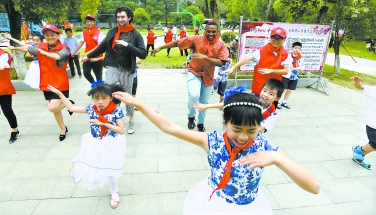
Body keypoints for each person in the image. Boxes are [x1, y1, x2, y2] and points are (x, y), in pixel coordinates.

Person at [113, 88, 320, 214]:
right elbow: (169, 127)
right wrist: (138, 103)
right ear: (225, 120)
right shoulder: (213, 141)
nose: (243, 137)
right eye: (236, 129)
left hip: (249, 208)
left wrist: (277, 158)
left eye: (252, 130)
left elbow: (314, 187)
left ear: (261, 125)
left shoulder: (265, 146)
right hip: (212, 204)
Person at [48, 82, 126, 208]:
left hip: (111, 143)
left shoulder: (116, 111)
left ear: (111, 98)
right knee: (93, 162)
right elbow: (72, 108)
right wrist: (60, 94)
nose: (100, 102)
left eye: (104, 98)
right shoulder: (91, 109)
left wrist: (104, 124)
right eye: (96, 98)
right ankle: (97, 176)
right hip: (94, 141)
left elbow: (121, 130)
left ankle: (114, 191)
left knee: (111, 169)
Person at [152, 21, 229, 132]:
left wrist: (204, 57)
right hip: (194, 71)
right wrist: (161, 47)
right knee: (194, 95)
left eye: (213, 32)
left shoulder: (221, 45)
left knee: (204, 102)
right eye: (208, 31)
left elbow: (222, 62)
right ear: (204, 31)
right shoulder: (196, 39)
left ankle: (201, 123)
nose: (211, 34)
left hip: (208, 76)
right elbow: (178, 43)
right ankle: (191, 117)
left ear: (217, 32)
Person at [82, 5, 147, 134]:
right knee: (108, 90)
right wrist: (88, 56)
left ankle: (131, 119)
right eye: (118, 17)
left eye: (123, 17)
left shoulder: (135, 35)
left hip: (127, 69)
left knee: (127, 96)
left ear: (129, 17)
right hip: (112, 66)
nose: (120, 19)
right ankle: (110, 116)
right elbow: (102, 47)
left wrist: (128, 45)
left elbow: (143, 54)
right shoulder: (112, 32)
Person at [29, 24, 72, 141]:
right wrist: (15, 47)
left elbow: (57, 57)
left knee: (52, 107)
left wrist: (43, 53)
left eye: (52, 35)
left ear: (58, 35)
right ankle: (63, 128)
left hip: (60, 83)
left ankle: (69, 104)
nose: (49, 37)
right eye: (47, 35)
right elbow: (28, 48)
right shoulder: (42, 46)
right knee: (55, 110)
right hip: (47, 83)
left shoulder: (64, 48)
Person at [195, 79, 284, 133]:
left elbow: (260, 128)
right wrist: (207, 106)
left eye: (271, 94)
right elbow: (228, 103)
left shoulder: (272, 114)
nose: (265, 95)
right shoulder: (251, 98)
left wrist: (243, 132)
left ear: (277, 98)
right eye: (264, 90)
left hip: (252, 136)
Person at [223, 27, 289, 95]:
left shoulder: (285, 54)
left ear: (284, 39)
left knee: (272, 105)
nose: (276, 40)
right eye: (273, 37)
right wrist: (233, 68)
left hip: (275, 88)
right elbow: (248, 58)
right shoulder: (261, 51)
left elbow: (286, 71)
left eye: (279, 38)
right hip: (260, 88)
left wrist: (271, 70)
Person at [351, 76, 375, 170]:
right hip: (373, 125)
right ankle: (359, 151)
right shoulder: (373, 90)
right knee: (375, 144)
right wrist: (357, 81)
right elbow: (360, 86)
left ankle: (359, 152)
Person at [73, 14, 104, 84]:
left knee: (99, 77)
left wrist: (88, 53)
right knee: (86, 73)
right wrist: (74, 51)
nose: (89, 23)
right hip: (87, 58)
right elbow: (81, 42)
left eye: (91, 21)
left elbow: (99, 46)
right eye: (87, 21)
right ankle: (94, 85)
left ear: (94, 22)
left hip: (97, 58)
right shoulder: (85, 32)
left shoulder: (99, 32)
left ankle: (99, 89)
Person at [278, 42, 304, 109]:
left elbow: (300, 67)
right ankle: (277, 102)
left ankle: (284, 102)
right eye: (295, 48)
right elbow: (282, 63)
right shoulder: (288, 55)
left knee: (289, 90)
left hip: (294, 77)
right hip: (286, 76)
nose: (297, 50)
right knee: (283, 90)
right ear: (292, 48)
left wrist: (295, 68)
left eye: (299, 48)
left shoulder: (301, 58)